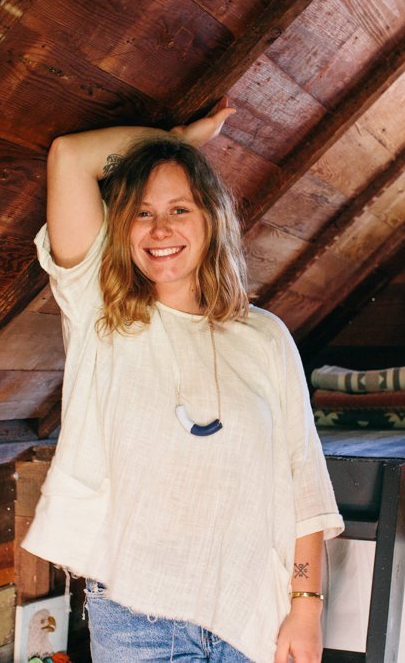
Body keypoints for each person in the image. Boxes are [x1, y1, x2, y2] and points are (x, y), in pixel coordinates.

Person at [21, 99, 344, 663]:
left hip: (254, 615)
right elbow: (70, 157)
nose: (161, 229)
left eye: (180, 209)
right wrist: (173, 140)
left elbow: (305, 487)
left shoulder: (265, 338)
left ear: (211, 219)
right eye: (142, 213)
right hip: (137, 619)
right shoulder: (100, 309)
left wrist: (307, 608)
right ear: (122, 226)